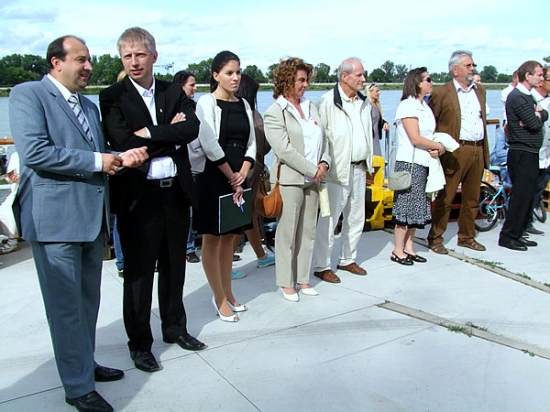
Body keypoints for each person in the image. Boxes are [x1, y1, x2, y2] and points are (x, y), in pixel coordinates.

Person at [9, 35, 148, 411]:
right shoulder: (28, 95)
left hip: (91, 220)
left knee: (87, 304)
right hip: (54, 223)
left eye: (89, 60)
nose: (89, 67)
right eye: (81, 60)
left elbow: (96, 154)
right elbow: (35, 152)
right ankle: (77, 387)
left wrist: (122, 157)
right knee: (65, 308)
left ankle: (83, 365)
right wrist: (98, 161)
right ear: (56, 62)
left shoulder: (87, 105)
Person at [100, 27, 206, 374]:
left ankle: (175, 328)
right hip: (138, 198)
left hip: (175, 194)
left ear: (154, 57)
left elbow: (191, 129)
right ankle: (140, 344)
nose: (134, 62)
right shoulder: (112, 97)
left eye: (140, 55)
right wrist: (167, 134)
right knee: (139, 274)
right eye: (127, 56)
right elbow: (122, 141)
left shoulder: (172, 91)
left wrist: (147, 134)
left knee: (175, 267)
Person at [194, 51, 256, 321]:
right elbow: (208, 142)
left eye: (238, 72)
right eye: (229, 72)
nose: (235, 77)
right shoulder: (206, 102)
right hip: (215, 175)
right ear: (216, 75)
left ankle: (228, 291)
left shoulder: (243, 104)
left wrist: (244, 171)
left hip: (239, 176)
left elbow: (252, 142)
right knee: (213, 237)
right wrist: (231, 175)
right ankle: (218, 297)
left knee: (231, 237)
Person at [264, 57, 330, 301]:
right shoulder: (275, 112)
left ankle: (303, 278)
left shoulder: (311, 107)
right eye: (301, 80)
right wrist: (312, 169)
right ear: (287, 81)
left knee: (308, 231)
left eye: (306, 80)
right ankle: (286, 281)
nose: (305, 84)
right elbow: (284, 150)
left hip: (313, 179)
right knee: (287, 233)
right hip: (290, 180)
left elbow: (323, 139)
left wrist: (324, 163)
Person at [312, 57, 372, 284]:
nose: (363, 79)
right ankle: (322, 265)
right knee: (329, 220)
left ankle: (348, 259)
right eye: (359, 75)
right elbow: (321, 139)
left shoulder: (364, 102)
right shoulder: (326, 103)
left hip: (359, 167)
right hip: (336, 171)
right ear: (344, 77)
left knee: (356, 217)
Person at [427, 50, 490, 254]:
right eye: (468, 65)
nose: (472, 69)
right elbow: (431, 122)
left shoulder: (479, 91)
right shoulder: (441, 93)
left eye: (473, 65)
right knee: (446, 197)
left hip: (477, 148)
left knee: (472, 197)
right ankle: (436, 238)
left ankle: (466, 237)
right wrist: (433, 146)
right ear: (455, 70)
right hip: (455, 150)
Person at [391, 68, 444, 264]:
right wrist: (438, 146)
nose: (432, 83)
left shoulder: (425, 107)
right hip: (410, 163)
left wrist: (437, 149)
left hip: (424, 162)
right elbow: (415, 138)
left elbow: (428, 136)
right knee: (405, 207)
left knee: (418, 207)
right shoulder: (408, 106)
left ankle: (409, 246)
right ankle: (397, 249)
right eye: (428, 79)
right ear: (418, 83)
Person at [498, 61, 548, 251]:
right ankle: (509, 236)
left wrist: (539, 114)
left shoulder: (529, 96)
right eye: (539, 75)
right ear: (528, 75)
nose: (541, 78)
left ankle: (518, 233)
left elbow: (543, 115)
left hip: (531, 152)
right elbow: (533, 124)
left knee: (527, 196)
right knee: (520, 196)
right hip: (522, 152)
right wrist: (536, 116)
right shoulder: (517, 96)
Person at [235, 73, 275, 270]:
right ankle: (227, 266)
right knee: (241, 219)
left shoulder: (233, 113)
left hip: (238, 174)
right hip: (249, 176)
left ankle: (260, 255)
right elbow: (265, 146)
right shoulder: (253, 115)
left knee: (248, 217)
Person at [173, 70, 201, 263]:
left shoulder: (195, 107)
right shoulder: (173, 109)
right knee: (184, 210)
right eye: (191, 85)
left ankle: (191, 246)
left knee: (194, 208)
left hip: (197, 164)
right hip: (182, 165)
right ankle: (187, 247)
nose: (195, 88)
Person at [525, 66, 550, 236]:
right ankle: (521, 223)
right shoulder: (531, 99)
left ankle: (527, 221)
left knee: (537, 190)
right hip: (532, 152)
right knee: (526, 190)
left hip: (546, 155)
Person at [0, 151, 21, 254]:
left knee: (9, 211)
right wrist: (10, 178)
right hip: (17, 189)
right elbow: (10, 177)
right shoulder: (15, 155)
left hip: (22, 192)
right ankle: (14, 236)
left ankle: (13, 240)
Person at [366, 82, 389, 156]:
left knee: (378, 160)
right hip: (368, 139)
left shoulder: (377, 105)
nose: (379, 93)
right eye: (376, 91)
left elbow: (377, 119)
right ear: (370, 92)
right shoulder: (366, 105)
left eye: (379, 91)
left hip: (376, 138)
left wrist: (384, 123)